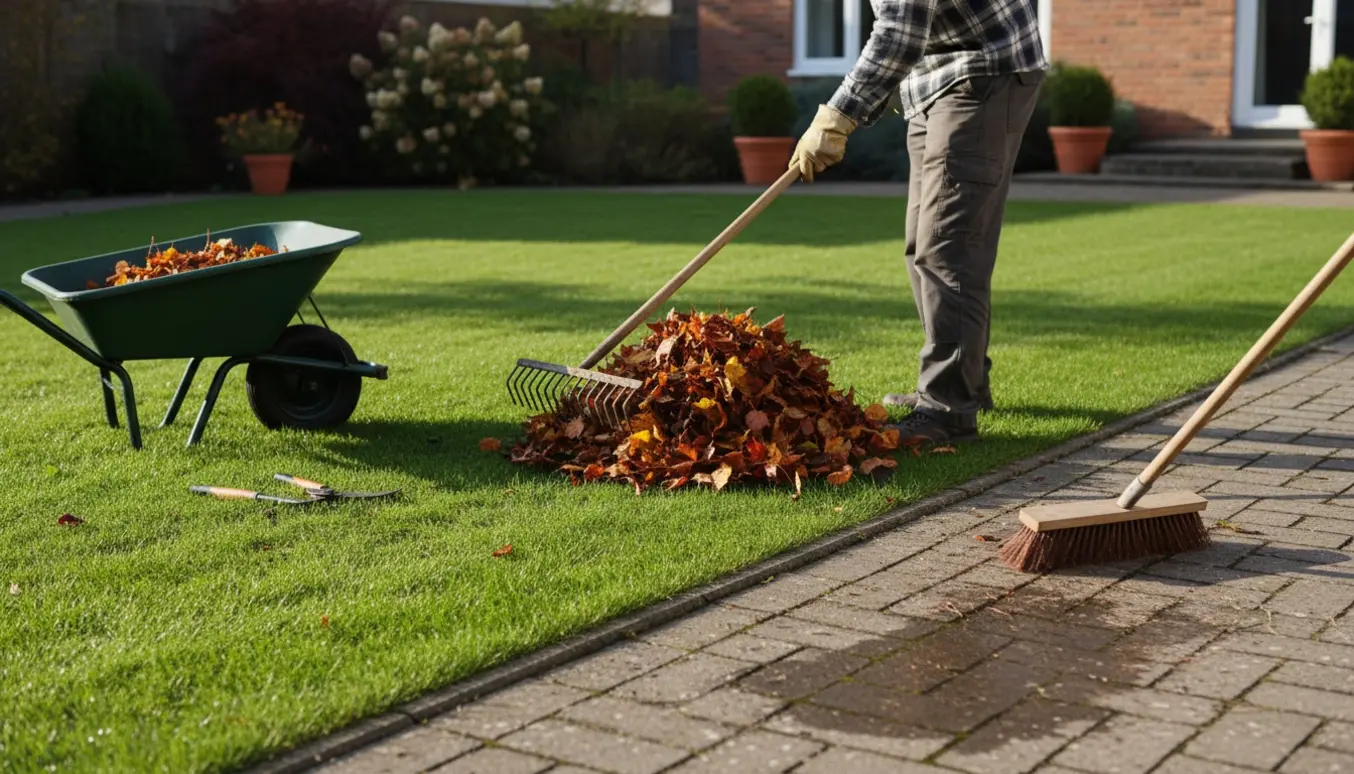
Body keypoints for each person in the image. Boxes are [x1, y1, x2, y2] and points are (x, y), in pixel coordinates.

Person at [789, 0, 1049, 445]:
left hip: (982, 70)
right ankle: (963, 382)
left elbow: (899, 31)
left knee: (948, 247)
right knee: (921, 245)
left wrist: (838, 115)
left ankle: (948, 407)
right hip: (931, 81)